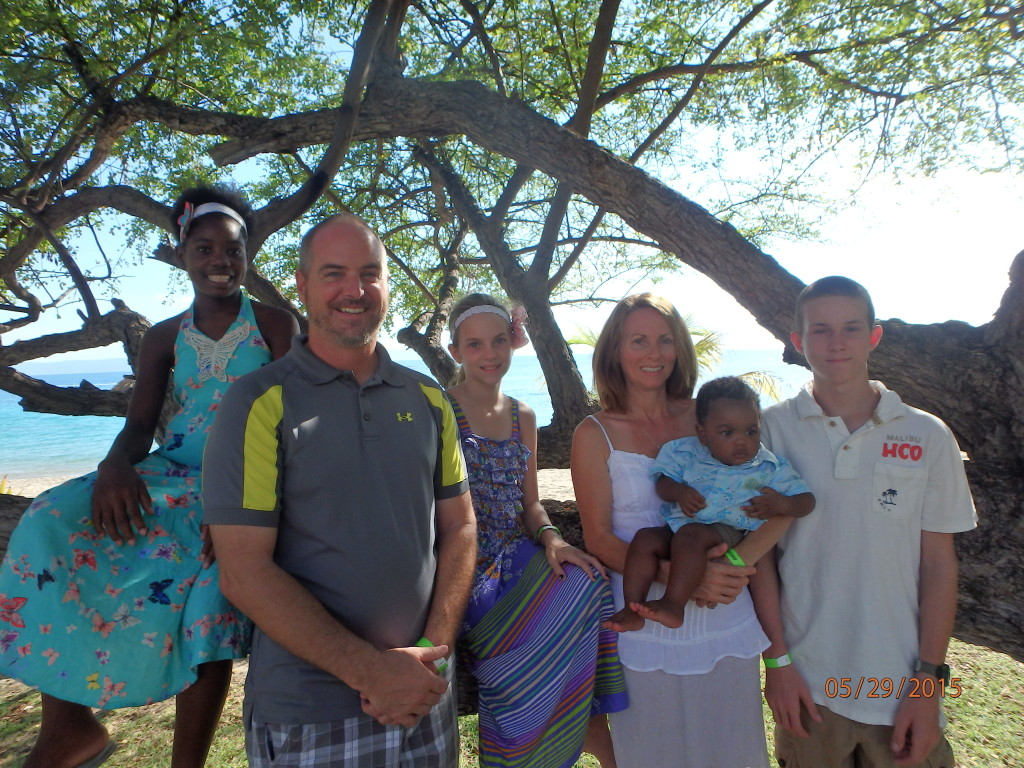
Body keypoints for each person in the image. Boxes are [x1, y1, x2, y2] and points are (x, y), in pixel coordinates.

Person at [0, 186, 298, 768]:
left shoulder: (275, 325)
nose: (220, 260)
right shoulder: (164, 337)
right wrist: (115, 465)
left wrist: (249, 503)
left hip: (245, 484)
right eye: (204, 247)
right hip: (175, 474)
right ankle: (68, 724)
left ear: (248, 254)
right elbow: (141, 427)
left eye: (233, 250)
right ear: (180, 252)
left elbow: (296, 426)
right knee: (49, 519)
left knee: (209, 591)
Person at [202, 213, 477, 768]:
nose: (354, 290)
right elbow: (243, 571)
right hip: (312, 714)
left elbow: (460, 527)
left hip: (424, 700)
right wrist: (372, 673)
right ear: (302, 286)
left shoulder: (428, 399)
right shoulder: (258, 403)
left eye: (369, 273)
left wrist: (429, 656)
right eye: (334, 273)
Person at [758, 275, 977, 768]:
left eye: (851, 328)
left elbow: (939, 567)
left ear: (874, 336)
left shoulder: (928, 434)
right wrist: (777, 662)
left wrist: (928, 681)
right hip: (809, 685)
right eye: (820, 330)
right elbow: (762, 561)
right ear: (798, 341)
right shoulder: (771, 430)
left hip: (898, 686)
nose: (836, 343)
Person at [570, 293, 771, 768]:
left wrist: (736, 565)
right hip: (642, 618)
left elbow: (765, 499)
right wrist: (680, 578)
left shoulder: (707, 418)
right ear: (615, 350)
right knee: (654, 752)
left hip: (725, 613)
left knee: (732, 747)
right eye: (638, 340)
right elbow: (598, 539)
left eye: (665, 340)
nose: (653, 353)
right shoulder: (592, 433)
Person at [444, 293, 628, 768]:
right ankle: (525, 745)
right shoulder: (440, 411)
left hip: (517, 556)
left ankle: (585, 727)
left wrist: (554, 539)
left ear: (514, 341)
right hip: (464, 568)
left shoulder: (523, 416)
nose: (490, 354)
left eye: (499, 341)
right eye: (476, 344)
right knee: (554, 612)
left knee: (589, 583)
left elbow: (529, 503)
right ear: (456, 351)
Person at [605, 375, 814, 632]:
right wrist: (679, 492)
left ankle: (673, 605)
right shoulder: (684, 452)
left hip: (726, 531)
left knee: (691, 536)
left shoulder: (769, 465)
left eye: (751, 431)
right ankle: (633, 607)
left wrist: (781, 504)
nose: (742, 441)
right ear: (702, 433)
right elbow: (662, 482)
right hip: (680, 528)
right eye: (727, 432)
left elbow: (806, 501)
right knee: (645, 538)